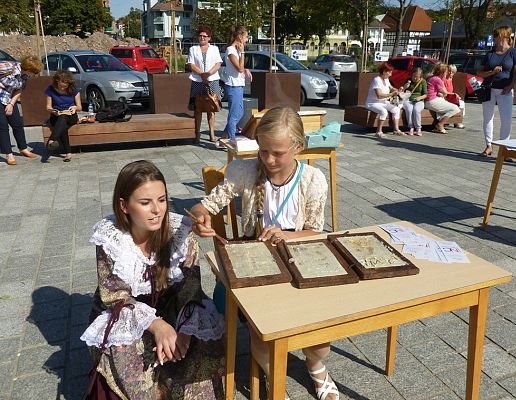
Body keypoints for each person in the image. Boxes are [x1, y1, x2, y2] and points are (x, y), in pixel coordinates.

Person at [190, 107, 338, 400]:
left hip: (298, 261)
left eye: (278, 153)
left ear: (298, 147)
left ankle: (316, 365)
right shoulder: (245, 171)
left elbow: (317, 233)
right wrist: (200, 217)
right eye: (263, 150)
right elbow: (205, 205)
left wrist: (288, 235)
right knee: (264, 339)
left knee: (320, 339)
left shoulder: (312, 180)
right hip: (255, 265)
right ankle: (274, 374)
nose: (269, 160)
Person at [80, 160, 225, 399]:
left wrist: (184, 330)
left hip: (174, 306)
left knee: (202, 344)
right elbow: (114, 296)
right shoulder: (112, 239)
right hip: (128, 309)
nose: (157, 210)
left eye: (162, 199)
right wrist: (157, 326)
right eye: (145, 203)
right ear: (124, 205)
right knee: (124, 350)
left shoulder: (180, 233)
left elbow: (190, 288)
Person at [477, 26, 516, 157]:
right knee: (487, 118)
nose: (494, 37)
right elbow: (479, 72)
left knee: (506, 119)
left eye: (496, 35)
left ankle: (504, 149)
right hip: (489, 88)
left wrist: (511, 85)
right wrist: (492, 72)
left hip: (505, 90)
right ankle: (488, 145)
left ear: (503, 36)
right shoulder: (490, 53)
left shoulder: (514, 52)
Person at [0, 55, 42, 166]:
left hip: (8, 99)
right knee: (3, 126)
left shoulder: (25, 76)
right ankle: (9, 154)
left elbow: (19, 90)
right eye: (34, 72)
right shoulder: (9, 66)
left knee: (17, 124)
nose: (34, 75)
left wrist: (11, 104)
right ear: (28, 69)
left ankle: (23, 149)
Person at [187, 27, 222, 143]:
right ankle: (197, 133)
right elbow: (191, 64)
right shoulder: (193, 49)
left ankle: (212, 133)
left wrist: (208, 74)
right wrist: (202, 74)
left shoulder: (215, 49)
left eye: (205, 36)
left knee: (211, 107)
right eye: (200, 36)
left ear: (209, 38)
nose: (202, 38)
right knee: (198, 108)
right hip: (197, 80)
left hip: (212, 80)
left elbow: (218, 64)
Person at [45, 70, 82, 162]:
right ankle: (68, 154)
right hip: (56, 115)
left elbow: (80, 107)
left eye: (65, 87)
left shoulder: (74, 90)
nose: (62, 88)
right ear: (57, 81)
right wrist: (53, 110)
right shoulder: (50, 89)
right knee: (62, 124)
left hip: (71, 115)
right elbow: (48, 107)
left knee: (63, 118)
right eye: (61, 86)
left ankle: (52, 140)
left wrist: (75, 107)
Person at [222, 25, 252, 141]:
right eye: (246, 37)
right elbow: (239, 68)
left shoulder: (235, 50)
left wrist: (246, 69)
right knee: (235, 116)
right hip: (233, 86)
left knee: (238, 113)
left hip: (238, 85)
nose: (247, 39)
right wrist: (243, 52)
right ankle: (232, 140)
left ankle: (223, 139)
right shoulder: (231, 50)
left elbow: (240, 68)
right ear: (239, 37)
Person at [364, 61, 404, 138]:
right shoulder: (377, 80)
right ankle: (378, 131)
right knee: (384, 111)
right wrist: (391, 94)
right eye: (389, 72)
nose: (391, 74)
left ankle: (396, 130)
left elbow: (392, 88)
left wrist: (398, 90)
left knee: (396, 109)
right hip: (373, 103)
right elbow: (379, 95)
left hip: (383, 102)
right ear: (384, 72)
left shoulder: (386, 79)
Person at [425, 63, 460, 134]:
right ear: (442, 72)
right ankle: (440, 124)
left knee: (443, 101)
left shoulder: (431, 77)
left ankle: (437, 123)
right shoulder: (438, 79)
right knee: (455, 108)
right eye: (446, 72)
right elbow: (445, 93)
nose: (447, 73)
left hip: (428, 100)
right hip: (431, 101)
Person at [401, 67, 427, 136]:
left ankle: (418, 129)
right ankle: (411, 127)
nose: (415, 78)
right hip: (408, 99)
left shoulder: (423, 81)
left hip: (419, 101)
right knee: (409, 110)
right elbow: (402, 91)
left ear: (420, 76)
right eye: (413, 76)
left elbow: (425, 94)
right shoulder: (408, 80)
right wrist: (405, 87)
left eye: (417, 77)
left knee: (416, 110)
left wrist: (420, 97)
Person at [444, 64, 465, 129]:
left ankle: (458, 120)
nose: (450, 73)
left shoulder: (451, 79)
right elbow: (445, 91)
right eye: (449, 71)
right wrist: (454, 95)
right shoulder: (444, 79)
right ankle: (456, 122)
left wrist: (455, 95)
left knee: (462, 103)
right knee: (458, 104)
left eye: (452, 72)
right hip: (445, 97)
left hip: (450, 97)